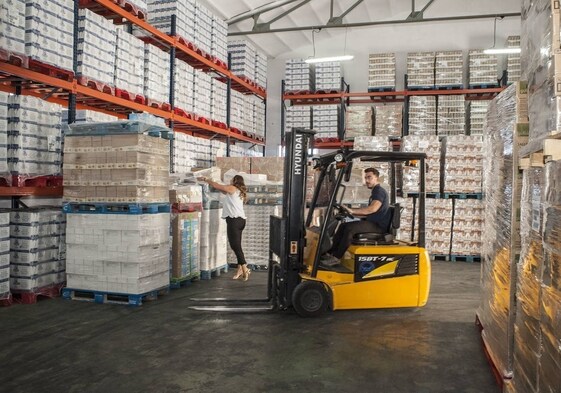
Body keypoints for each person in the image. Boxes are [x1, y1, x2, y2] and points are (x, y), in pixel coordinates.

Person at [327, 167, 392, 260]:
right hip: (373, 222)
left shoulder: (378, 191)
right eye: (365, 178)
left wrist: (352, 211)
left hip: (378, 226)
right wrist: (349, 211)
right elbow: (369, 211)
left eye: (369, 177)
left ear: (377, 178)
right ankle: (330, 253)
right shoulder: (375, 191)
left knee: (350, 229)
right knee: (343, 226)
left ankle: (337, 257)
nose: (367, 180)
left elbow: (373, 209)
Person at [197, 175, 251, 281]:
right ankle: (240, 268)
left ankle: (244, 267)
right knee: (237, 246)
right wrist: (213, 183)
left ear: (235, 181)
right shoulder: (238, 191)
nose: (230, 181)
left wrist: (206, 179)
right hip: (240, 221)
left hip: (234, 221)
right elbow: (220, 189)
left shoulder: (233, 188)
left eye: (231, 179)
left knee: (235, 246)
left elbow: (219, 186)